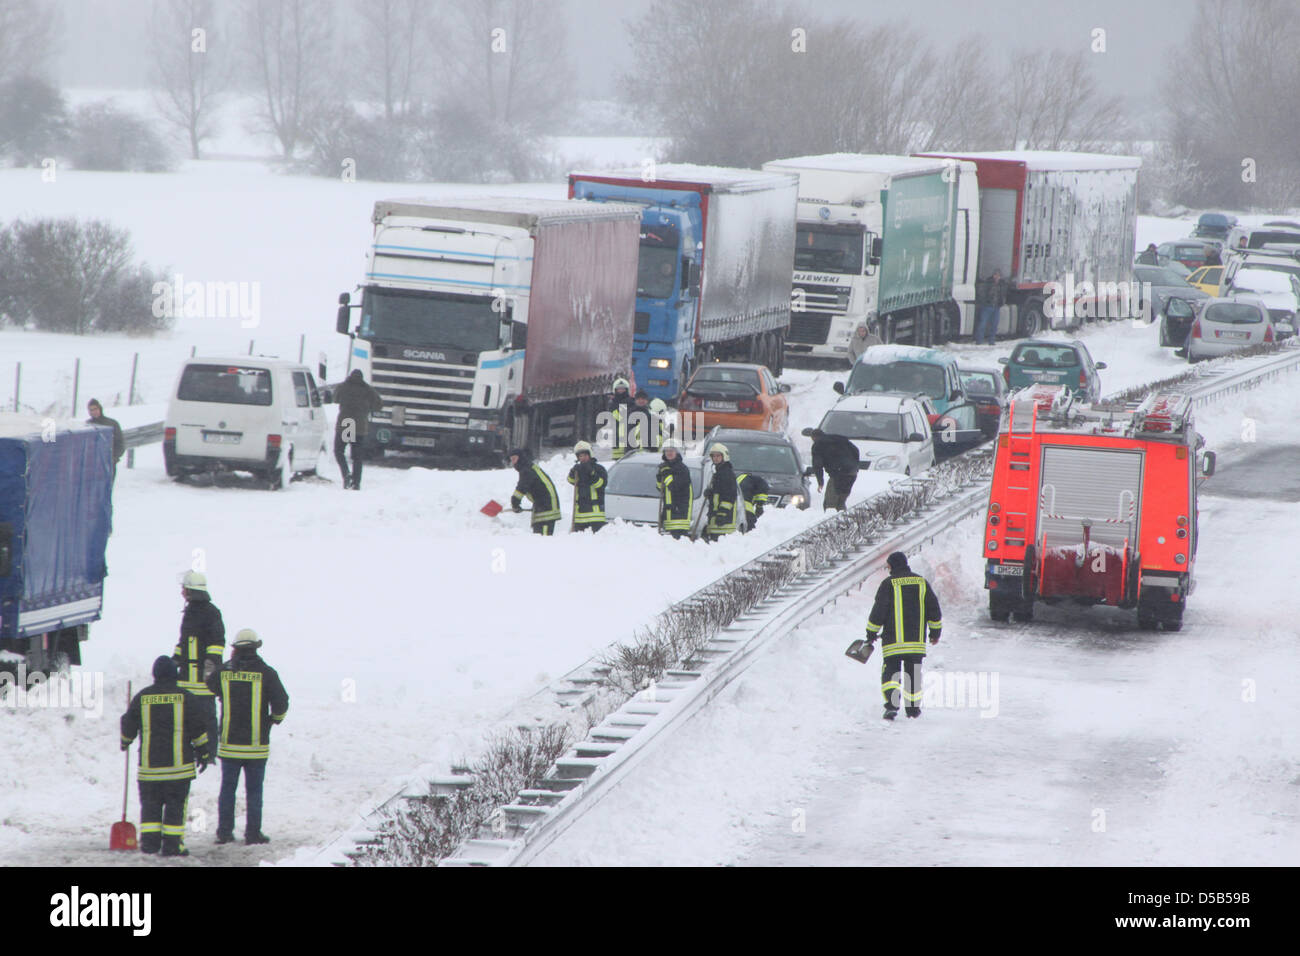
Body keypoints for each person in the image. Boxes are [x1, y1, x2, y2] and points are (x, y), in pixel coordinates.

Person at [121, 656, 213, 856]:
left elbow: (128, 723)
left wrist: (125, 740)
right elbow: (198, 728)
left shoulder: (142, 697)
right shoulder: (186, 697)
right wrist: (204, 752)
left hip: (149, 770)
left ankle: (150, 844)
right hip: (178, 770)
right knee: (175, 808)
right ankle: (173, 845)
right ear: (175, 674)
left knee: (150, 808)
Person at [206, 629, 289, 845]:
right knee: (254, 792)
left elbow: (209, 684)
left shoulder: (224, 672)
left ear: (235, 649)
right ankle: (253, 834)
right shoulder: (267, 673)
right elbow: (282, 702)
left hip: (229, 746)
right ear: (255, 648)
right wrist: (274, 719)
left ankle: (224, 833)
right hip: (256, 747)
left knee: (227, 790)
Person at [863, 551, 942, 720]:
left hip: (893, 642)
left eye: (888, 565)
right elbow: (934, 610)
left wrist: (871, 633)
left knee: (891, 675)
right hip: (916, 644)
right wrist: (935, 633)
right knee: (913, 675)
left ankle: (892, 706)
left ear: (893, 565)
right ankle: (913, 710)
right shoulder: (921, 583)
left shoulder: (888, 584)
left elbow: (879, 611)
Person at [172, 570, 224, 761]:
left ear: (190, 591)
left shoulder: (211, 613)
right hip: (187, 678)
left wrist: (209, 669)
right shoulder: (190, 613)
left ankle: (209, 753)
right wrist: (174, 660)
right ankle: (192, 751)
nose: (182, 592)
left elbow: (217, 643)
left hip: (203, 679)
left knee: (207, 717)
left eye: (183, 589)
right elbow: (184, 642)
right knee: (189, 717)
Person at [331, 369, 383, 490]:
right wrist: (368, 408)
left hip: (346, 424)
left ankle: (346, 475)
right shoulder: (368, 389)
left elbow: (335, 399)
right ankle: (356, 483)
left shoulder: (343, 387)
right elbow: (379, 404)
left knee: (339, 451)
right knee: (357, 456)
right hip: (359, 425)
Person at [508, 447, 561, 535]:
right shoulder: (530, 467)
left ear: (520, 457)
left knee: (543, 541)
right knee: (539, 539)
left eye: (514, 459)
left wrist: (515, 503)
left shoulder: (526, 470)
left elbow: (521, 488)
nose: (513, 462)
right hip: (545, 505)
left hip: (546, 509)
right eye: (511, 460)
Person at [807, 428, 860, 511]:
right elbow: (856, 450)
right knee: (841, 502)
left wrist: (820, 482)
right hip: (852, 474)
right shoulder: (840, 439)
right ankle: (843, 521)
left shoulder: (818, 445)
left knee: (830, 504)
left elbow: (817, 465)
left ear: (813, 437)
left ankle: (832, 521)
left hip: (838, 475)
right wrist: (855, 466)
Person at [656, 438, 693, 539]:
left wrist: (666, 475)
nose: (669, 453)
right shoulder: (665, 468)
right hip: (668, 515)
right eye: (667, 451)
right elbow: (661, 489)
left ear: (677, 452)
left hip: (679, 516)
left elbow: (675, 487)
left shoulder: (682, 469)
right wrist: (659, 478)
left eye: (671, 450)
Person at [703, 445, 741, 542]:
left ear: (724, 456)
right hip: (716, 520)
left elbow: (729, 496)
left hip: (723, 523)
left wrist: (722, 514)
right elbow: (718, 494)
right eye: (713, 456)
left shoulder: (726, 473)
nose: (715, 458)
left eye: (718, 456)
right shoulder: (718, 472)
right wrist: (710, 493)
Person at [567, 440, 607, 532]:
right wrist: (572, 472)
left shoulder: (599, 469)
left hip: (595, 517)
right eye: (580, 456)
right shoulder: (578, 470)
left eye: (585, 455)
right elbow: (571, 481)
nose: (583, 458)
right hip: (579, 517)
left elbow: (600, 485)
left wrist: (591, 473)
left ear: (590, 454)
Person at [85, 399, 125, 478]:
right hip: (92, 465)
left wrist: (113, 458)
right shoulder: (87, 425)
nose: (94, 412)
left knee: (107, 487)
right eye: (91, 410)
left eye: (95, 409)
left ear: (100, 408)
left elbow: (120, 443)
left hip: (108, 463)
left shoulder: (111, 423)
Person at [974, 269, 1007, 345]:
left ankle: (991, 341)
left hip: (996, 307)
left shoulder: (1001, 284)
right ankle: (979, 341)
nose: (997, 277)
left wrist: (1002, 302)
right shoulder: (988, 283)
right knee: (983, 324)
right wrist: (985, 302)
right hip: (987, 306)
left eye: (998, 275)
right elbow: (982, 293)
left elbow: (1003, 294)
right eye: (995, 275)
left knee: (994, 325)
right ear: (993, 275)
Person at [608, 377, 634, 461]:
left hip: (629, 431)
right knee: (617, 458)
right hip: (617, 432)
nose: (621, 391)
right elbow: (614, 415)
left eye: (623, 389)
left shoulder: (631, 401)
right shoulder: (613, 403)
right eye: (619, 389)